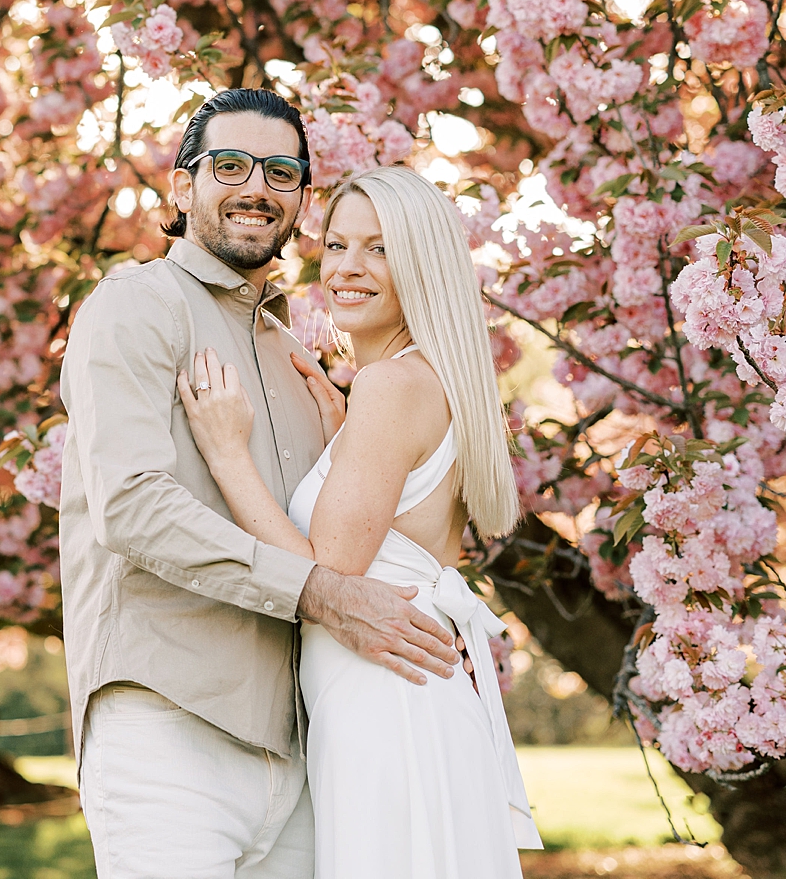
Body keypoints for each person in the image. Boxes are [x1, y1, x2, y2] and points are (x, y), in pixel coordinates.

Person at [59, 89, 465, 879]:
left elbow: (351, 534)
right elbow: (133, 507)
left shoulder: (296, 347)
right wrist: (323, 593)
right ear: (183, 187)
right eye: (231, 166)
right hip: (170, 719)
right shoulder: (139, 306)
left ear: (302, 201)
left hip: (306, 744)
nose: (257, 188)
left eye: (281, 173)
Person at [179, 163, 545, 877]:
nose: (347, 267)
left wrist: (227, 455)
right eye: (338, 244)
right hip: (392, 697)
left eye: (378, 248)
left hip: (390, 707)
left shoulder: (393, 384)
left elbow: (326, 574)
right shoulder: (411, 383)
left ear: (422, 264)